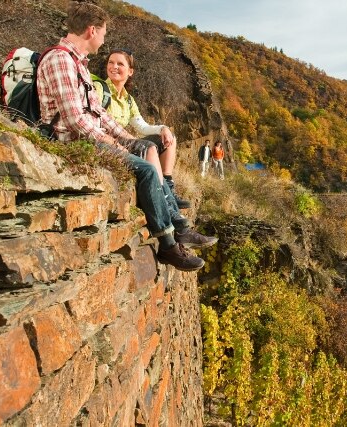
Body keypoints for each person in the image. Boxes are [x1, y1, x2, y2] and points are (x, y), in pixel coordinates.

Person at [36, 2, 216, 271]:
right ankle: (169, 246)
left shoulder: (77, 64)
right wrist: (109, 141)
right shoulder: (60, 60)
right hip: (72, 142)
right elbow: (74, 119)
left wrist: (125, 139)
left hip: (88, 138)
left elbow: (98, 113)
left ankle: (177, 229)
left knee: (143, 151)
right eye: (104, 33)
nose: (104, 39)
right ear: (91, 30)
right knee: (144, 170)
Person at [94, 48, 190, 209]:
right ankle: (166, 200)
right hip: (106, 142)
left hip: (125, 141)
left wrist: (163, 128)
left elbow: (142, 127)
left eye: (120, 64)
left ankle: (168, 186)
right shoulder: (99, 89)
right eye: (111, 62)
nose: (114, 67)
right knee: (150, 147)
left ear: (130, 71)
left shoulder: (128, 100)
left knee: (168, 137)